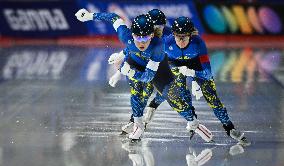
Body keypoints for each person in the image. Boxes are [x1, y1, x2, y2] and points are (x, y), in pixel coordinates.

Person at [75, 9, 213, 142]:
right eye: (138, 37)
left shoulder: (161, 43)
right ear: (133, 34)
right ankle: (137, 123)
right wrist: (89, 16)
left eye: (145, 37)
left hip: (158, 66)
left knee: (172, 97)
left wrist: (195, 79)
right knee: (137, 92)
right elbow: (114, 18)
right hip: (138, 63)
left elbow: (149, 76)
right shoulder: (126, 36)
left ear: (152, 34)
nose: (141, 42)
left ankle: (193, 122)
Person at [142, 17, 250, 146]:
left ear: (190, 35)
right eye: (178, 37)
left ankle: (229, 128)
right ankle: (171, 110)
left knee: (212, 98)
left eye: (184, 37)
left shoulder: (198, 43)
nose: (181, 41)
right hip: (175, 65)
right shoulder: (167, 42)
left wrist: (193, 75)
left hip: (196, 65)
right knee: (178, 91)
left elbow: (208, 73)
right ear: (173, 35)